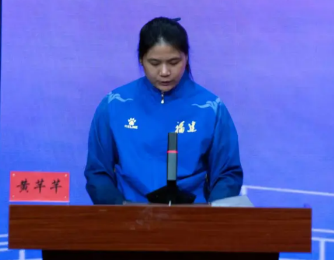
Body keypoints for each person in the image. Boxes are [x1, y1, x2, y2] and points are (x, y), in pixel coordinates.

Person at [84, 17, 243, 204]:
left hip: (194, 215)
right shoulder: (115, 104)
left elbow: (227, 174)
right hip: (129, 215)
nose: (165, 72)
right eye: (155, 63)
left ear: (186, 58)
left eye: (174, 62)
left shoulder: (211, 108)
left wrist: (208, 214)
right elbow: (98, 172)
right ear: (141, 59)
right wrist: (123, 211)